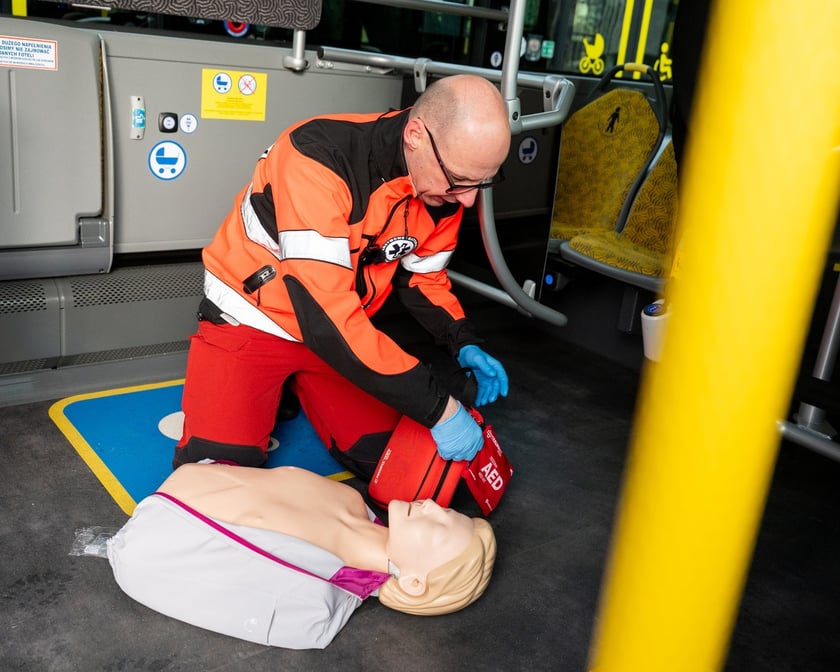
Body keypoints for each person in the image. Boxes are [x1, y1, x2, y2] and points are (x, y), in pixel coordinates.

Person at [174, 74, 513, 478]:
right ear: (416, 136)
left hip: (343, 335)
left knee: (404, 473)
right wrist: (439, 407)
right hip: (253, 320)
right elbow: (326, 316)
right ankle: (270, 385)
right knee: (215, 478)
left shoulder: (444, 186)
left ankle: (295, 386)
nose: (469, 200)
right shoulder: (317, 156)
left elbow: (423, 279)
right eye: (460, 180)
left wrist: (462, 340)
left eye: (483, 182)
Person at [107, 463, 497, 648]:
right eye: (445, 510)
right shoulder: (352, 499)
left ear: (413, 583)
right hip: (177, 486)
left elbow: (184, 582)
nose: (431, 505)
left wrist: (134, 549)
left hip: (152, 533)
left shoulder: (310, 599)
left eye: (439, 526)